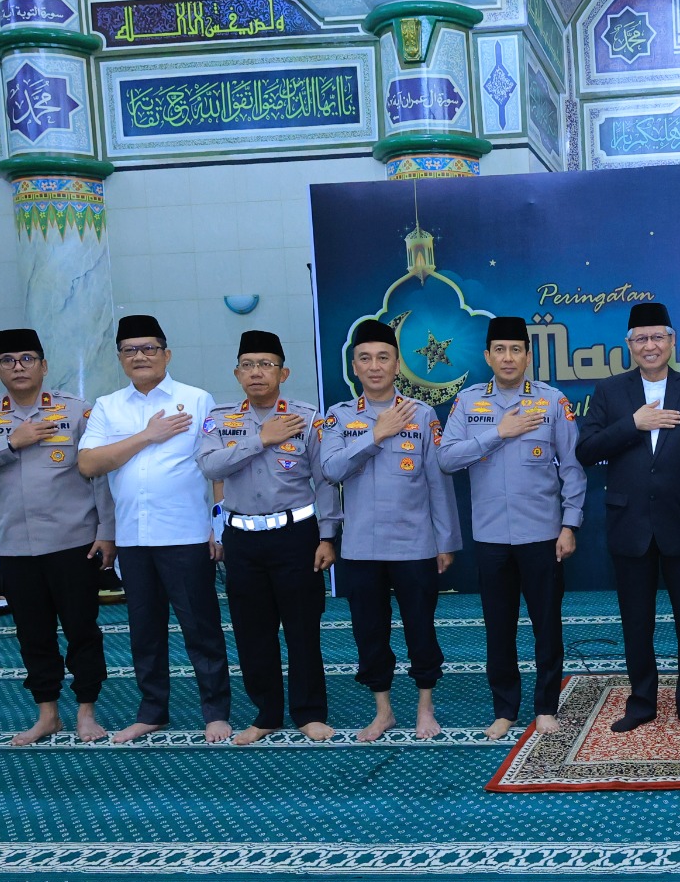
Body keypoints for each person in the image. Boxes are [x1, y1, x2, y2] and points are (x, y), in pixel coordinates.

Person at [0, 328, 115, 744]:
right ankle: (47, 714)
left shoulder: (75, 411)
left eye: (27, 359)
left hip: (74, 544)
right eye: (8, 360)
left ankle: (86, 711)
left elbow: (100, 476)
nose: (18, 367)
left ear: (44, 365)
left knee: (82, 630)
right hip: (17, 549)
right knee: (33, 634)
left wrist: (107, 531)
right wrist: (9, 443)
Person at [77, 314, 231, 744]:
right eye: (130, 350)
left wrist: (217, 526)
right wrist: (148, 435)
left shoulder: (196, 399)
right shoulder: (108, 405)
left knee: (201, 629)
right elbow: (89, 463)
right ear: (120, 358)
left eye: (149, 348)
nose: (140, 356)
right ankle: (152, 712)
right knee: (144, 632)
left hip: (186, 534)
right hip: (133, 538)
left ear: (167, 354)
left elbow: (216, 467)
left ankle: (216, 712)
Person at [575, 302, 680, 733]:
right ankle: (641, 702)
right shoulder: (610, 392)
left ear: (672, 341)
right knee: (636, 622)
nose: (650, 345)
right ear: (629, 345)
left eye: (657, 336)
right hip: (631, 526)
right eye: (640, 338)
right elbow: (586, 451)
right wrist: (633, 424)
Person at [439, 316, 586, 739]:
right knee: (498, 628)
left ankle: (545, 707)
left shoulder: (552, 401)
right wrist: (497, 434)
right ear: (487, 356)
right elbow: (447, 459)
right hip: (490, 538)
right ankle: (504, 709)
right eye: (500, 350)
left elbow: (572, 468)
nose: (508, 358)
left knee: (547, 625)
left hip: (542, 535)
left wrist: (570, 524)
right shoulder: (468, 402)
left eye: (516, 350)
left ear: (527, 355)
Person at [196, 330, 340, 745]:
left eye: (265, 365)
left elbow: (326, 480)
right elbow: (210, 466)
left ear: (283, 373)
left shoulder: (306, 417)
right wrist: (261, 439)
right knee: (252, 631)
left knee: (302, 629)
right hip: (242, 540)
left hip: (296, 536)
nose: (256, 372)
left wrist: (328, 536)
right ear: (237, 373)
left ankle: (309, 713)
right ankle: (267, 714)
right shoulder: (221, 420)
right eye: (248, 365)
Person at [320, 318, 461, 742]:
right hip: (361, 548)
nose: (374, 366)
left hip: (415, 545)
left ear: (397, 364)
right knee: (370, 633)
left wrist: (446, 541)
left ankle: (424, 707)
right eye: (365, 358)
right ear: (354, 367)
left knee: (421, 629)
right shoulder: (338, 417)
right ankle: (383, 712)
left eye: (383, 358)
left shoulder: (421, 413)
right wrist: (376, 435)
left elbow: (438, 482)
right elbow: (330, 471)